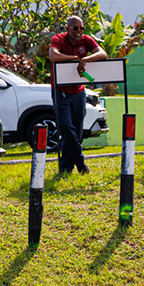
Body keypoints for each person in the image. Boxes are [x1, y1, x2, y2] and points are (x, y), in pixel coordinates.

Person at [48, 16, 107, 175]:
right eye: (75, 28)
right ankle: (81, 164)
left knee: (77, 130)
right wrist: (74, 59)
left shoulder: (86, 40)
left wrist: (85, 59)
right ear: (67, 29)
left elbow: (103, 53)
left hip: (79, 92)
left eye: (81, 28)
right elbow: (54, 56)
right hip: (61, 91)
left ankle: (66, 166)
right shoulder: (58, 39)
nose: (79, 31)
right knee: (67, 128)